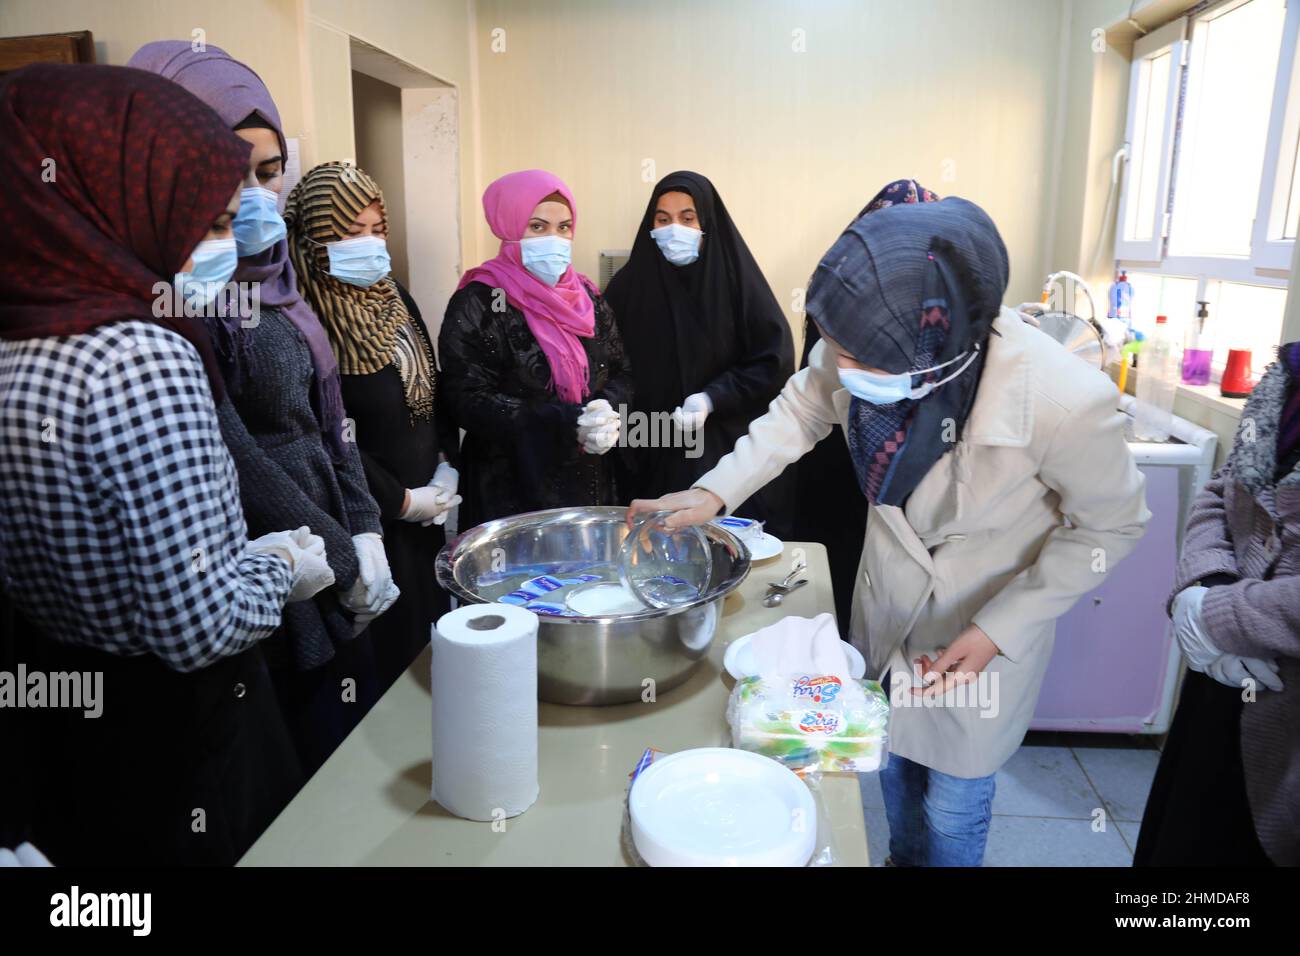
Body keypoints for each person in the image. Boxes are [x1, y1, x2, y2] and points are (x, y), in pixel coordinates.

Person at [628, 197, 1150, 866]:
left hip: (980, 626)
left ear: (938, 351)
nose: (839, 365)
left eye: (858, 358)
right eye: (833, 346)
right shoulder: (867, 338)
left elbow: (1112, 524)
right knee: (894, 770)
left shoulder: (1063, 401)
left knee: (954, 808)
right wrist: (712, 491)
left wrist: (1000, 628)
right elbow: (797, 413)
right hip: (890, 605)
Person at [0, 63, 335, 865]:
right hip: (187, 729)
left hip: (75, 724)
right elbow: (198, 626)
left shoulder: (19, 342)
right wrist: (281, 566)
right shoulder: (139, 359)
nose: (224, 244)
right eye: (209, 222)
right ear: (114, 206)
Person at [128, 42, 398, 774]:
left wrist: (366, 527)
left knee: (358, 751)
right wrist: (342, 558)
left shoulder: (280, 285)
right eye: (230, 174)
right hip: (272, 564)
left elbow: (325, 419)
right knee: (304, 772)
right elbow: (238, 453)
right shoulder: (178, 299)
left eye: (269, 173)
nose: (253, 195)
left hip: (330, 539)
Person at [286, 161, 458, 690]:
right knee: (384, 667)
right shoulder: (303, 322)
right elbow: (322, 432)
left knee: (430, 646)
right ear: (315, 239)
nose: (370, 245)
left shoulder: (394, 296)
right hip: (365, 521)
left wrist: (448, 463)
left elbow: (432, 378)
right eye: (350, 232)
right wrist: (400, 499)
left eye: (377, 230)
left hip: (427, 511)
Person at [1135, 343, 1299, 867]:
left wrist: (1216, 613)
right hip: (1223, 685)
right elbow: (1222, 491)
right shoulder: (1286, 379)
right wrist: (1202, 585)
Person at [439, 170, 633, 528]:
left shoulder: (588, 297)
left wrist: (608, 409)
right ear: (509, 227)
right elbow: (465, 398)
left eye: (564, 227)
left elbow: (622, 370)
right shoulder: (482, 299)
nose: (554, 239)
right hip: (511, 486)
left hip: (588, 478)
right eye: (538, 227)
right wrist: (566, 422)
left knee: (587, 578)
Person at [604, 171, 794, 533]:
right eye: (663, 220)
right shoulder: (628, 287)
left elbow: (774, 360)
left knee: (723, 553)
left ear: (707, 222)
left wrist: (712, 398)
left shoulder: (738, 283)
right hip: (649, 444)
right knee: (655, 553)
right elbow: (607, 365)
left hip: (727, 449)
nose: (674, 228)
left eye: (687, 218)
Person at [790, 179, 941, 631]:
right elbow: (805, 399)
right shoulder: (842, 284)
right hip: (836, 455)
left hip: (916, 474)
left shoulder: (944, 306)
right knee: (836, 578)